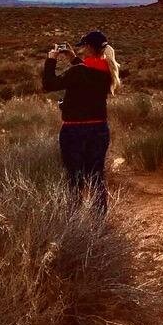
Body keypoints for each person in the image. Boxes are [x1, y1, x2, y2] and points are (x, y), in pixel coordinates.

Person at [42, 30, 121, 212]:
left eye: (84, 46)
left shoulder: (78, 72)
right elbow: (88, 72)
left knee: (74, 178)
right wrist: (73, 58)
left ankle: (75, 218)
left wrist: (51, 59)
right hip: (99, 129)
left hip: (74, 131)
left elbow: (49, 84)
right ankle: (99, 217)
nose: (82, 50)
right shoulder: (107, 71)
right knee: (96, 176)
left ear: (89, 47)